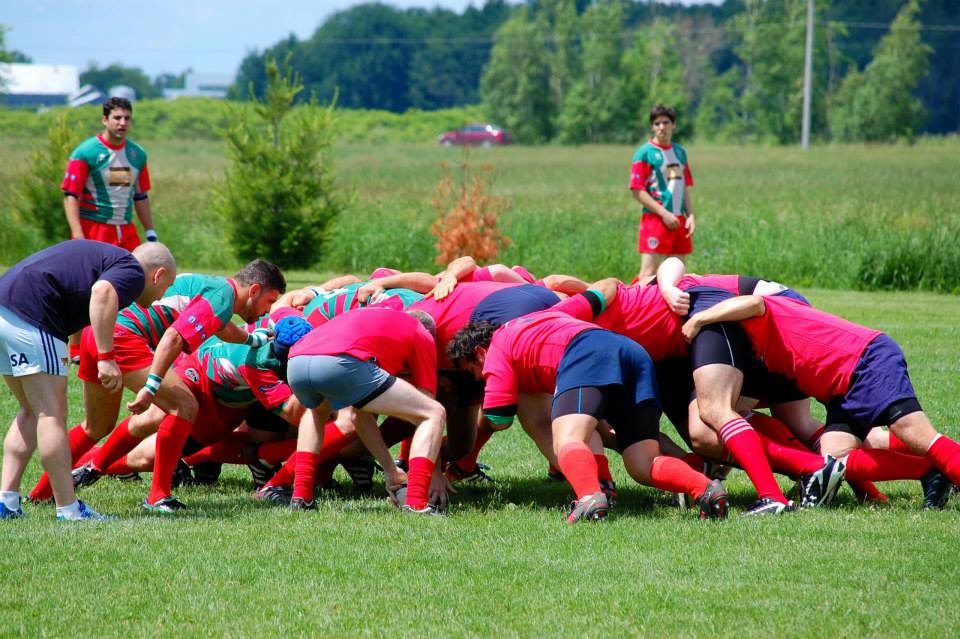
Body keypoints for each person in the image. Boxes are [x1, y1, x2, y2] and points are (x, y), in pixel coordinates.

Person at [447, 287, 728, 523]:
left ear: (479, 351)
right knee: (643, 463)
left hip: (585, 353)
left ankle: (589, 497)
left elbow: (500, 417)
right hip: (632, 353)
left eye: (470, 368)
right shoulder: (544, 315)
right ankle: (706, 489)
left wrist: (455, 444)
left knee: (568, 438)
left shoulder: (497, 348)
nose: (476, 376)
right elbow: (595, 296)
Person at [0, 240, 174, 520]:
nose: (159, 299)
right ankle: (68, 509)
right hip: (33, 312)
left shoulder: (109, 260)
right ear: (159, 274)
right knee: (51, 414)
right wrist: (106, 357)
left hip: (4, 306)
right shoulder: (132, 271)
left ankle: (6, 501)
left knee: (31, 410)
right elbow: (102, 291)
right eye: (166, 288)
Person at [62, 97, 157, 250]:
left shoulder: (137, 154)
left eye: (127, 118)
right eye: (117, 118)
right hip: (94, 229)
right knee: (96, 274)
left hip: (126, 231)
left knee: (137, 271)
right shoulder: (86, 152)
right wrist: (78, 234)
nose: (123, 123)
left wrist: (150, 231)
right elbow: (71, 195)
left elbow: (141, 196)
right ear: (105, 120)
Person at [630, 104, 696, 282]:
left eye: (665, 122)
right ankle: (630, 305)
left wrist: (690, 215)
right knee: (648, 273)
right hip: (656, 219)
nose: (661, 127)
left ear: (673, 125)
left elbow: (683, 186)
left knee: (676, 274)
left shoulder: (680, 152)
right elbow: (637, 190)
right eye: (657, 123)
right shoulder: (644, 153)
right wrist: (663, 213)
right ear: (652, 126)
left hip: (678, 219)